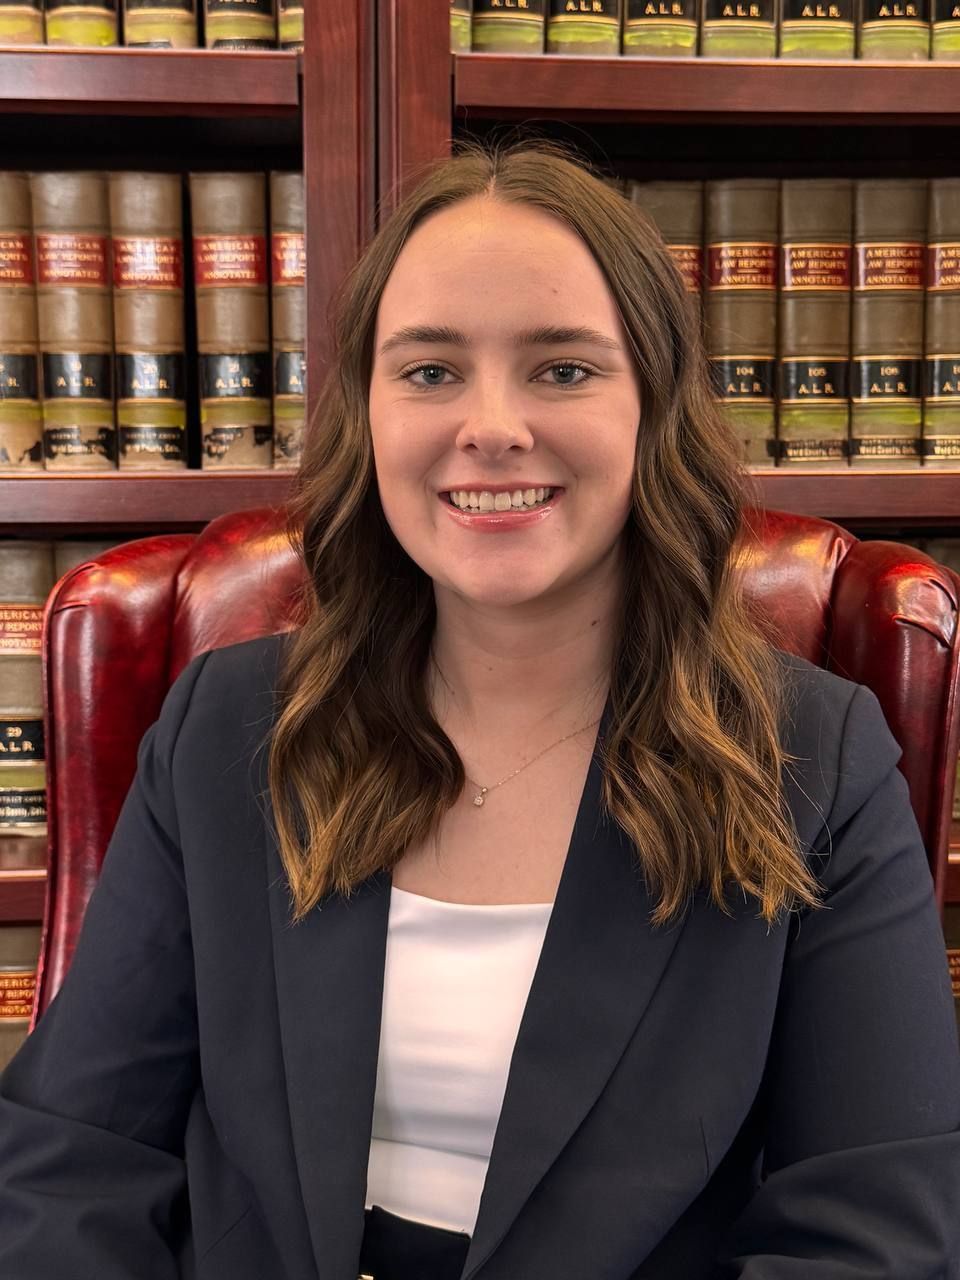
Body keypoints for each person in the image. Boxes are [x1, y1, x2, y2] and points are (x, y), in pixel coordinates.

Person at [1, 138, 959, 1280]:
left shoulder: (817, 760)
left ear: (654, 407)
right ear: (368, 411)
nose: (490, 424)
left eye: (562, 369)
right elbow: (72, 1160)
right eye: (430, 369)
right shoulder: (228, 728)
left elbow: (874, 1235)